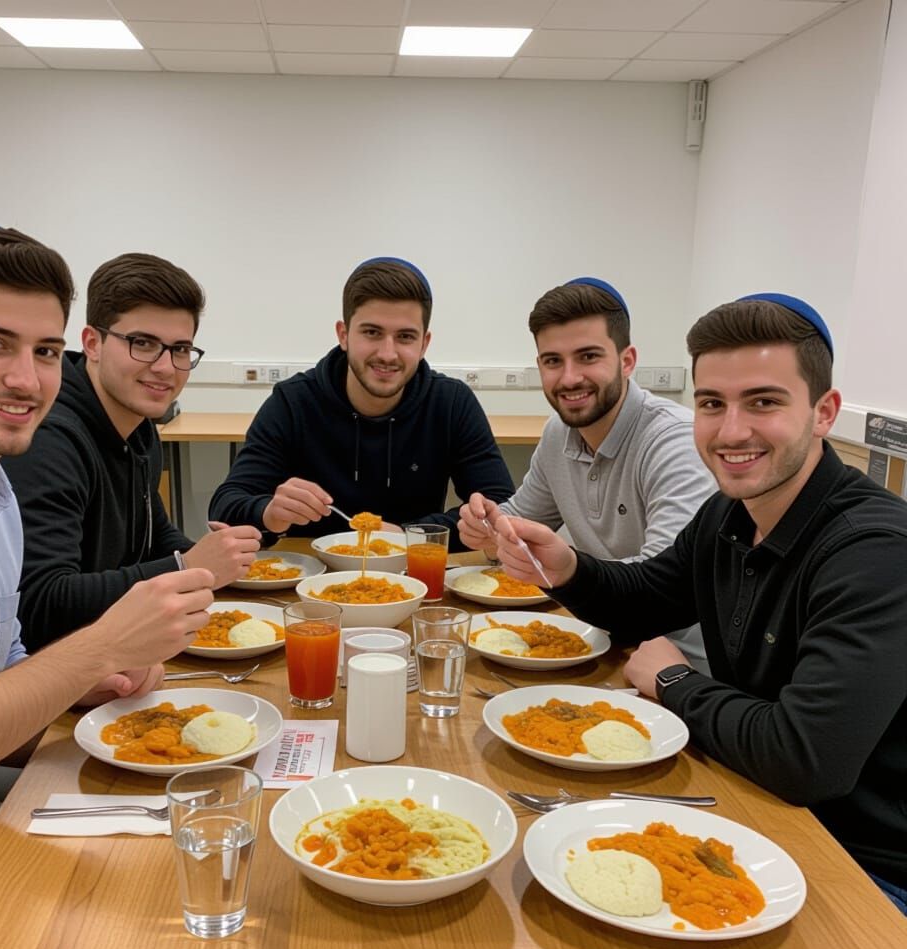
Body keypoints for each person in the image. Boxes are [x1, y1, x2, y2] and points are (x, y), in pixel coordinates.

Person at [489, 293, 907, 913]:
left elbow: (804, 759)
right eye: (712, 403)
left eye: (763, 401)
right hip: (756, 806)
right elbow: (647, 600)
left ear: (824, 413)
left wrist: (674, 681)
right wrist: (569, 569)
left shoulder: (875, 552)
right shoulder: (728, 514)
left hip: (861, 867)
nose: (731, 430)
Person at [0, 225, 214, 949]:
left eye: (41, 350)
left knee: (193, 899)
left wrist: (88, 688)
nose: (27, 380)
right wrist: (90, 653)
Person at [3, 253, 260, 651]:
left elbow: (153, 535)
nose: (165, 367)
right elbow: (40, 606)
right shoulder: (49, 439)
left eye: (180, 349)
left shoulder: (139, 426)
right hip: (60, 679)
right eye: (142, 343)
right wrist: (189, 566)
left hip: (121, 656)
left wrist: (210, 559)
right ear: (93, 343)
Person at [458, 277, 714, 669]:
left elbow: (659, 586)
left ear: (627, 361)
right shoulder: (558, 431)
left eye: (589, 357)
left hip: (678, 665)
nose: (569, 378)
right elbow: (518, 518)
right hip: (600, 640)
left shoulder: (675, 442)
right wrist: (486, 524)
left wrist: (572, 569)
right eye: (552, 361)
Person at [208, 257, 514, 549]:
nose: (387, 353)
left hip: (416, 580)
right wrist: (269, 512)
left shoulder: (451, 403)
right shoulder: (294, 401)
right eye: (372, 332)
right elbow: (224, 506)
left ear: (424, 344)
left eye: (405, 337)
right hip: (307, 585)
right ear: (344, 335)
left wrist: (409, 535)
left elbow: (500, 506)